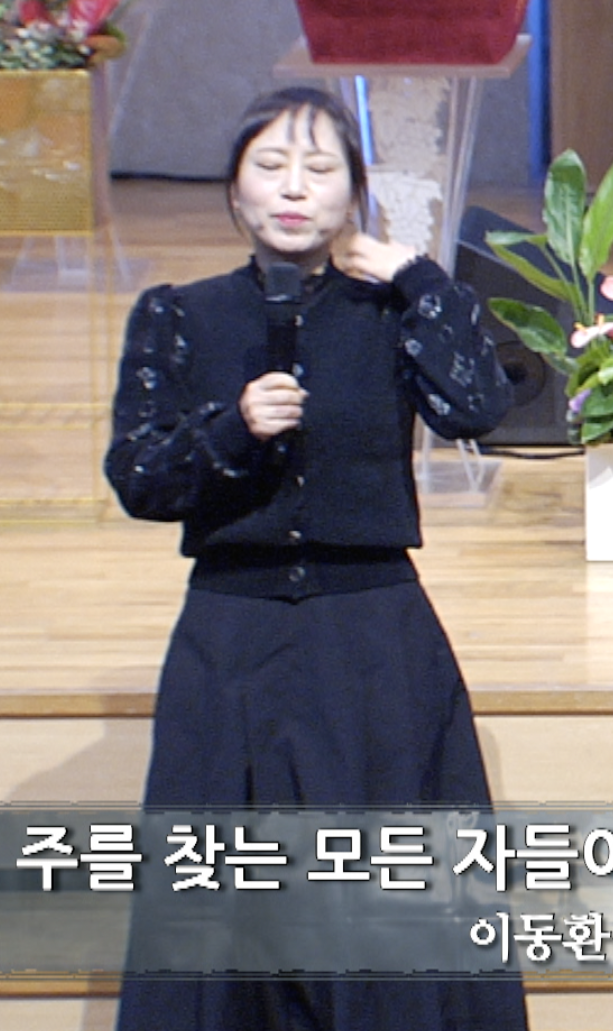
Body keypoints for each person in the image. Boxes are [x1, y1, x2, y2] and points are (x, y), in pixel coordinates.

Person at [105, 87, 526, 1031]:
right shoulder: (178, 314)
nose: (294, 188)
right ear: (234, 190)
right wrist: (232, 428)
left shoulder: (390, 311)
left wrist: (422, 281)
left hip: (371, 631)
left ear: (352, 194)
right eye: (270, 166)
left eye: (320, 169)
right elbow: (139, 477)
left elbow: (477, 407)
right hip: (232, 631)